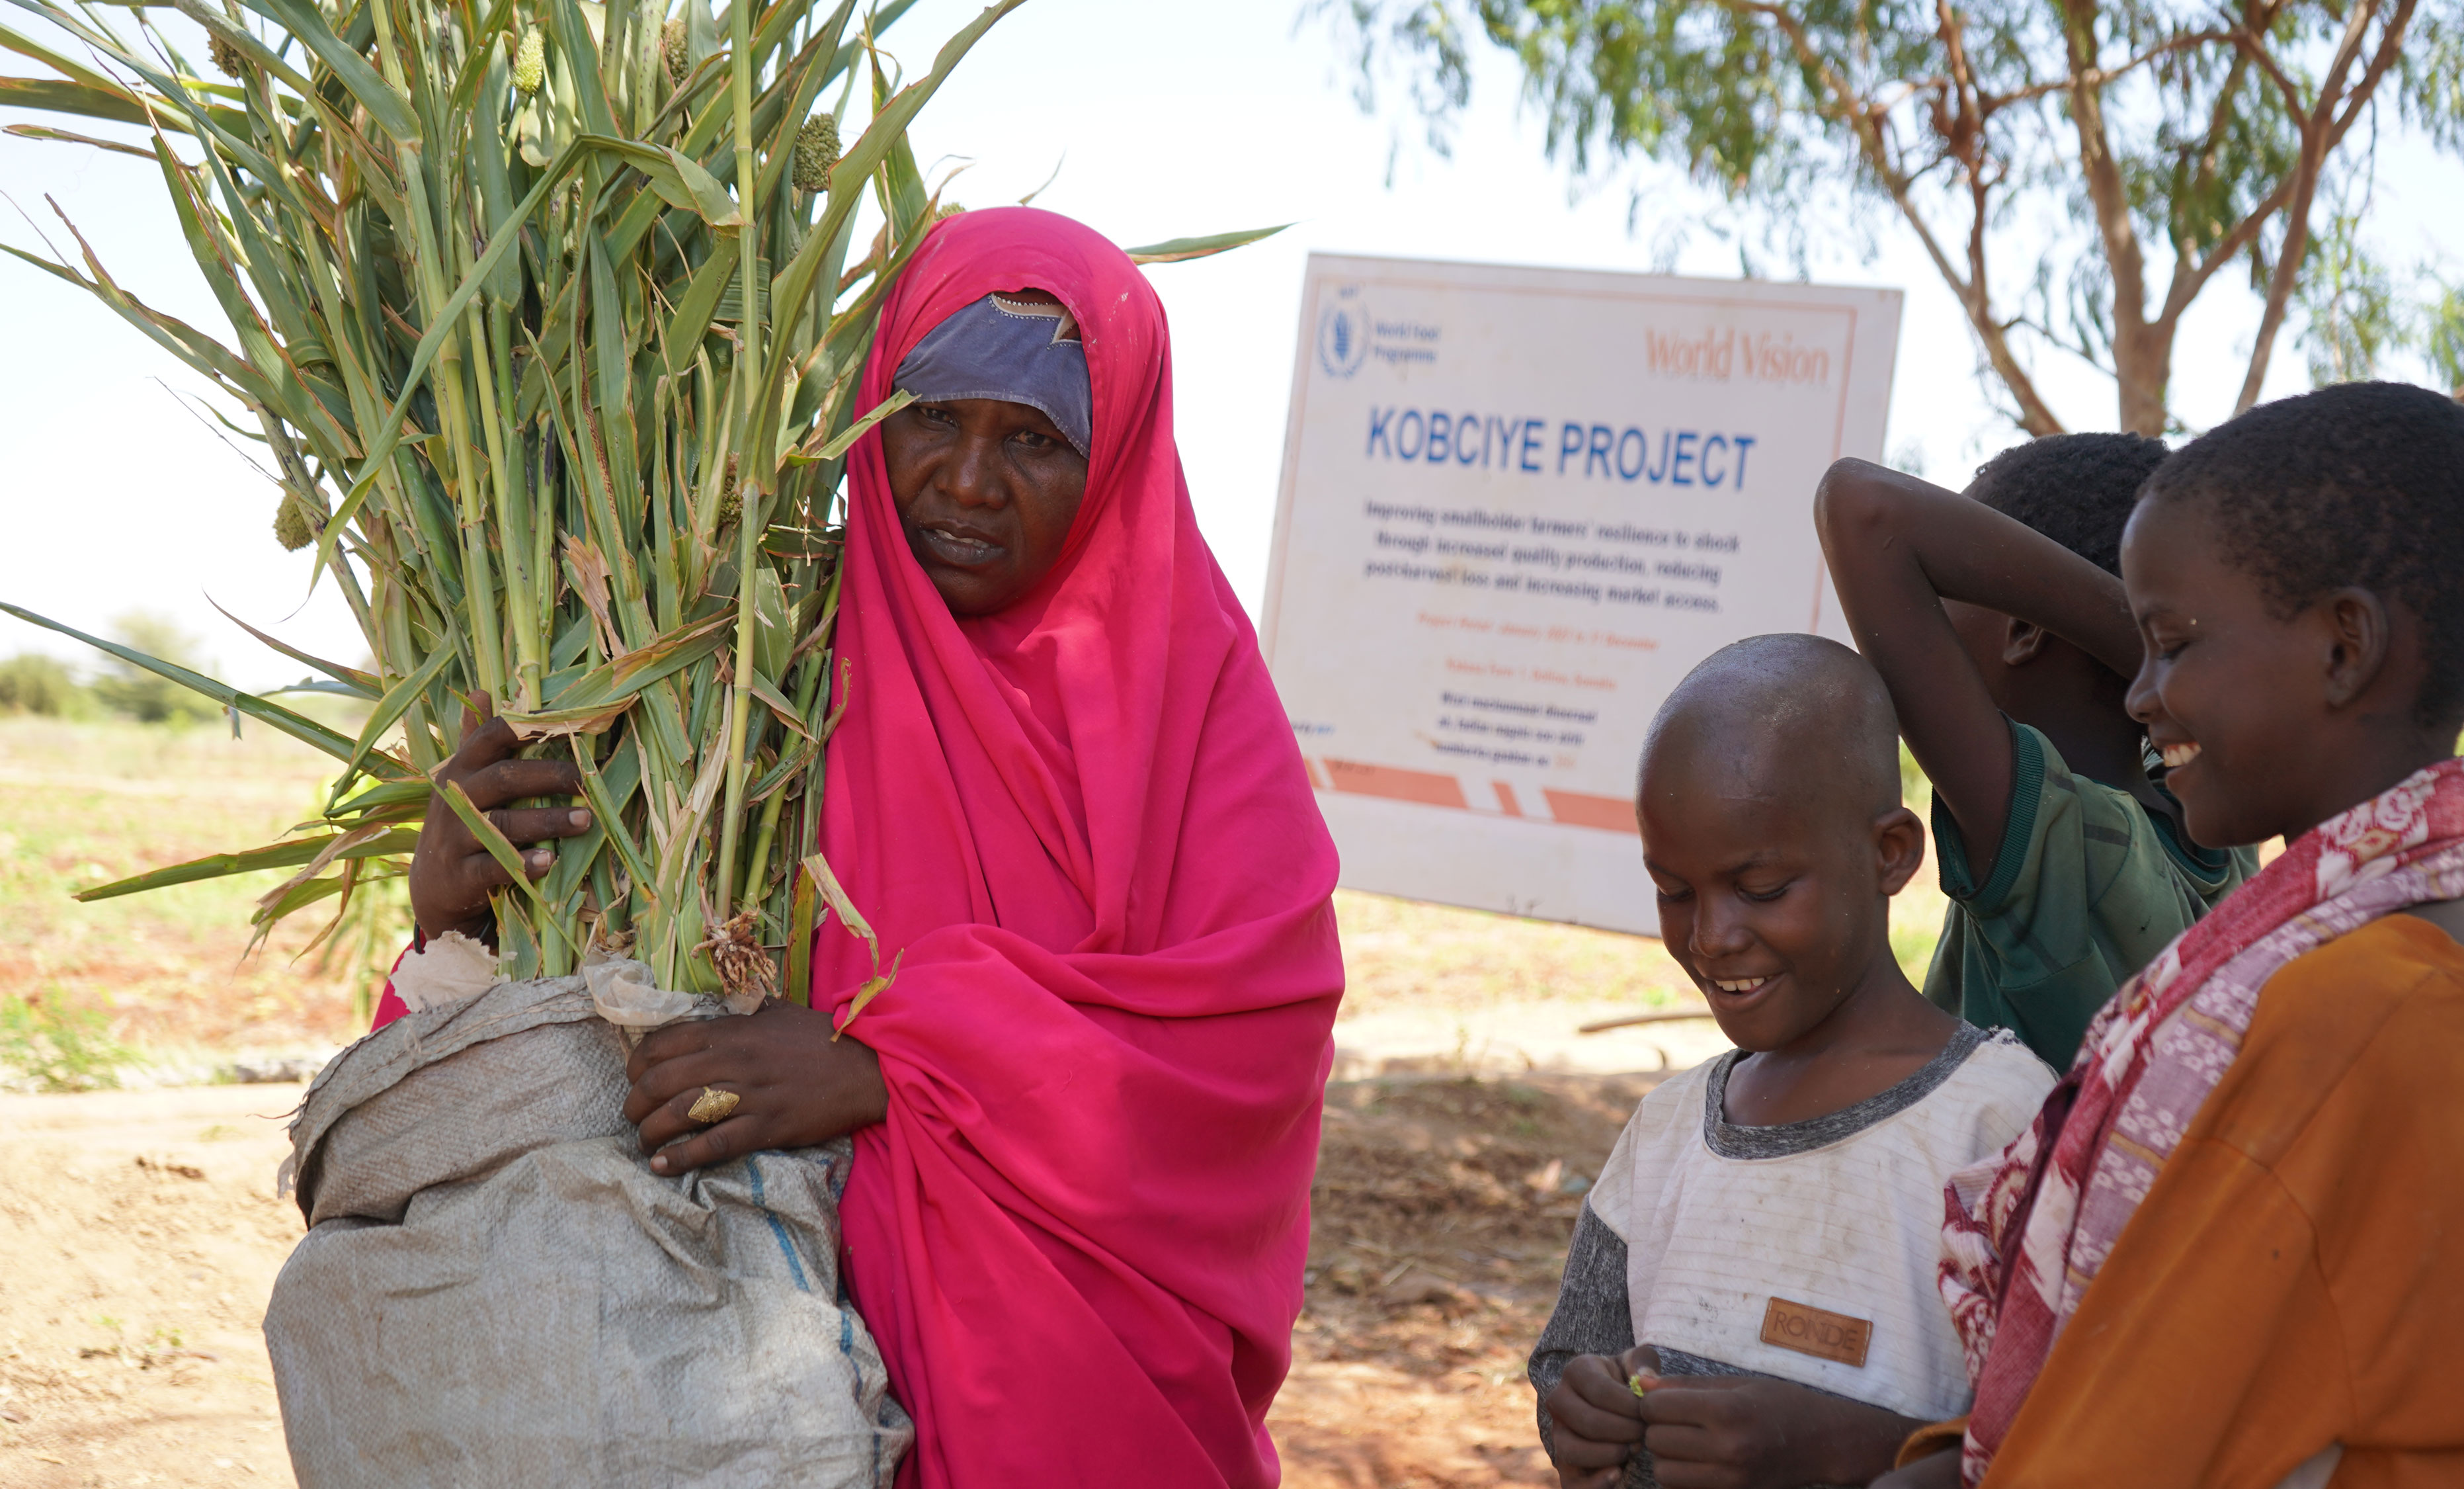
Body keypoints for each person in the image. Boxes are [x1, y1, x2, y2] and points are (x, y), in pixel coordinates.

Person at [399, 207, 1346, 1488]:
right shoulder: (746, 676)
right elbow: (577, 1028)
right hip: (747, 1401)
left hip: (1084, 1422)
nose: (966, 477)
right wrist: (453, 922)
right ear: (868, 417)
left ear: (1116, 450)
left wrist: (890, 1063)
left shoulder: (1199, 713)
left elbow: (1244, 1054)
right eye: (929, 417)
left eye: (1032, 438)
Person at [1875, 382, 2464, 1488]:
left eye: (2173, 642)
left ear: (2344, 649)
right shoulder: (2387, 946)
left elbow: (2129, 1438)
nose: (2140, 694)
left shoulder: (2358, 1004)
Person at [1532, 635, 2055, 1489]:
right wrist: (1580, 1409)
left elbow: (2065, 1434)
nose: (1711, 935)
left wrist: (1850, 1452)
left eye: (1763, 887)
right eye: (1674, 891)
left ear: (1890, 854)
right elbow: (1566, 1363)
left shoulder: (1996, 1124)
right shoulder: (1667, 1134)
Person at [1815, 438, 2253, 1071]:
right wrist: (2175, 662)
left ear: (2023, 625)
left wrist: (2151, 653)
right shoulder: (2220, 827)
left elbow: (1860, 508)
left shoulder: (2060, 846)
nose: (1924, 619)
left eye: (1941, 591)